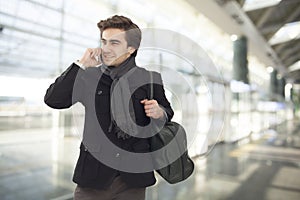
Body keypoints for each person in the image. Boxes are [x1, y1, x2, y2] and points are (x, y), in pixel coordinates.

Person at [44, 15, 174, 200]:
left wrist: (160, 112)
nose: (105, 49)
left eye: (114, 43)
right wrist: (80, 65)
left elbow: (168, 112)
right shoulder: (89, 76)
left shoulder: (150, 79)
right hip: (94, 177)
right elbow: (54, 100)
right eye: (103, 42)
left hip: (134, 177)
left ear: (131, 49)